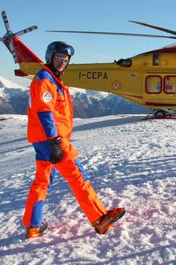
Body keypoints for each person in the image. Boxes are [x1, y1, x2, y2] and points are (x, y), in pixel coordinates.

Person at [22, 41, 125, 239]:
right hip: (52, 140)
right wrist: (54, 141)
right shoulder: (45, 80)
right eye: (59, 58)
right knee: (78, 177)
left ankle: (33, 226)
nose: (62, 62)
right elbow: (44, 112)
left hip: (44, 140)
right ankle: (99, 219)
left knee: (42, 181)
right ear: (49, 57)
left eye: (66, 60)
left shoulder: (51, 79)